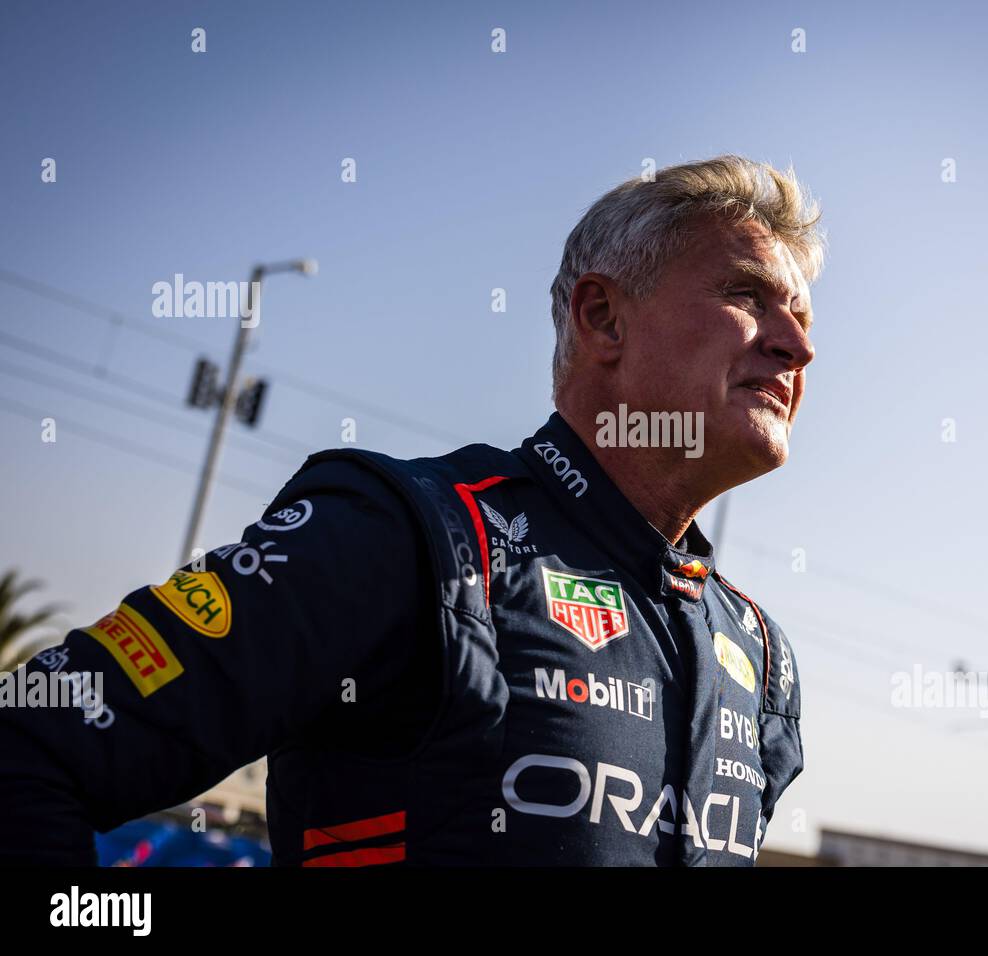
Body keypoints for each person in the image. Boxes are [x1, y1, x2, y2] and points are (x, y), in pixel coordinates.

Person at [0, 155, 823, 866]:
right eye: (748, 295)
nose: (797, 344)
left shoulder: (758, 655)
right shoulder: (405, 537)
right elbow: (27, 748)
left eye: (805, 317)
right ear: (602, 317)